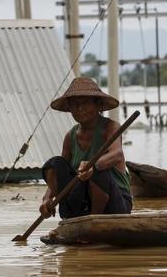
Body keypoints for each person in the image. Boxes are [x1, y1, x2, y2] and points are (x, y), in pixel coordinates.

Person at [39, 77, 132, 220]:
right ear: (70, 108)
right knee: (54, 164)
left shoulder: (110, 127)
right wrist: (47, 199)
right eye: (75, 105)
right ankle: (72, 218)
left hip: (115, 204)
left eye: (85, 103)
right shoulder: (70, 137)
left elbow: (117, 154)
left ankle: (95, 220)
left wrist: (93, 166)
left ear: (97, 105)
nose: (80, 109)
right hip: (83, 205)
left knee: (98, 169)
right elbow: (61, 173)